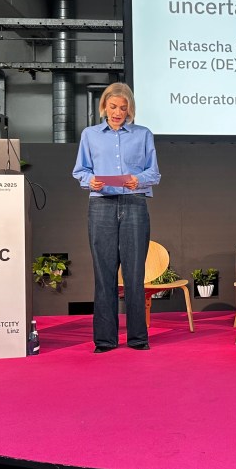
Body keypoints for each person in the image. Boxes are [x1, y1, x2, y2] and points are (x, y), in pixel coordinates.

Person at [72, 83, 161, 353]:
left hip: (134, 204)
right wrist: (91, 181)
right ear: (104, 107)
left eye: (123, 108)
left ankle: (137, 338)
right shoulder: (90, 135)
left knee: (135, 275)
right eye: (113, 107)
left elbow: (153, 172)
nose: (117, 112)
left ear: (130, 109)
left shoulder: (143, 135)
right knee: (104, 274)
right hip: (101, 205)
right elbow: (81, 170)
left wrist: (139, 179)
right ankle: (105, 340)